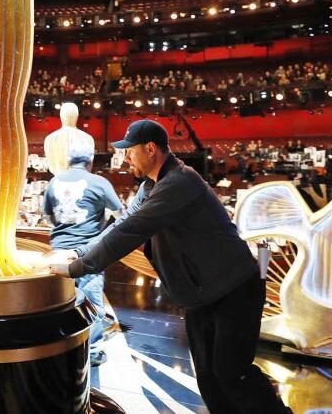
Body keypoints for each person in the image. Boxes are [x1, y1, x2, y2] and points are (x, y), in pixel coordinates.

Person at [46, 120, 288, 413]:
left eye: (130, 151)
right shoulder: (152, 185)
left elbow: (132, 230)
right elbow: (121, 223)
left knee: (232, 373)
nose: (126, 159)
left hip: (234, 290)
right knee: (210, 379)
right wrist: (77, 252)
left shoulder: (179, 182)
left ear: (150, 149)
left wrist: (77, 268)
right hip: (204, 295)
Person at [42, 140, 122, 365]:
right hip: (88, 252)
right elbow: (120, 213)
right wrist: (103, 222)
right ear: (91, 160)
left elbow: (48, 217)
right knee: (92, 301)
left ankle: (61, 345)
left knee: (62, 300)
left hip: (59, 250)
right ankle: (94, 350)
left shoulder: (54, 182)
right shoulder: (99, 182)